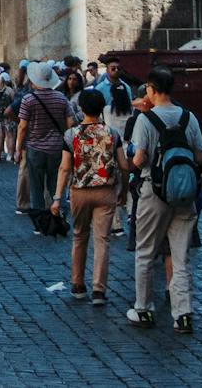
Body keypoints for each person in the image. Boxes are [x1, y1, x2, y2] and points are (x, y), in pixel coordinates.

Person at [124, 65, 202, 332]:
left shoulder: (145, 120)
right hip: (184, 193)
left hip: (154, 191)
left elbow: (138, 159)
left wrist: (133, 162)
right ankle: (183, 314)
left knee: (145, 252)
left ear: (151, 90)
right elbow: (199, 158)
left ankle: (144, 309)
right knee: (181, 256)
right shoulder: (189, 118)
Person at [59, 86, 126, 307]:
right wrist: (124, 189)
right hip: (105, 190)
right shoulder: (112, 134)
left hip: (79, 190)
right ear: (101, 108)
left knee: (79, 236)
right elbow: (123, 165)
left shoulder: (71, 134)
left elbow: (65, 168)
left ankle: (78, 284)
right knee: (102, 240)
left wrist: (57, 197)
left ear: (81, 108)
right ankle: (99, 289)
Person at [17, 60, 72, 234]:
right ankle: (60, 216)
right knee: (57, 185)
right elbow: (70, 122)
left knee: (36, 187)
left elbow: (22, 126)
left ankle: (40, 224)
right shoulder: (61, 98)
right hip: (57, 147)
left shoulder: (28, 99)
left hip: (35, 148)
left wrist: (19, 148)